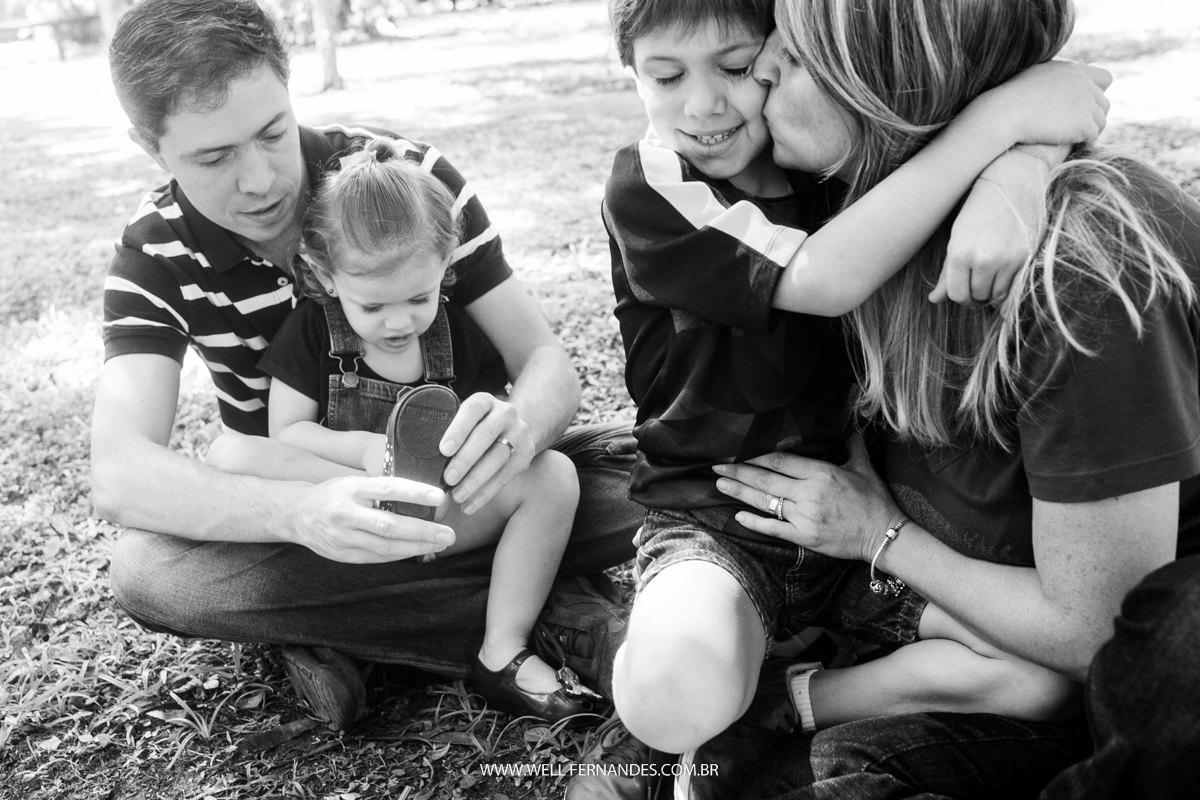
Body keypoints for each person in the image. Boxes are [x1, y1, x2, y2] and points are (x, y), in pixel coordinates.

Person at [94, 0, 638, 731]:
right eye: (215, 157)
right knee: (148, 574)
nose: (260, 181)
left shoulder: (412, 183)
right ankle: (544, 614)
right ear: (146, 144)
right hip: (311, 515)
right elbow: (121, 473)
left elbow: (544, 364)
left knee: (646, 476)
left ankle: (346, 631)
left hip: (466, 491)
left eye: (272, 132)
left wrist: (517, 432)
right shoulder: (153, 253)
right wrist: (302, 516)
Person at [709, 0, 1200, 797]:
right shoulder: (845, 205)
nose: (761, 67)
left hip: (1090, 668)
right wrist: (1021, 144)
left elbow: (1094, 631)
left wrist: (878, 534)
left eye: (795, 59)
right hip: (935, 617)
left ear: (889, 91)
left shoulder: (1083, 275)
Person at [601, 0, 1107, 768]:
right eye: (665, 76)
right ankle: (608, 637)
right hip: (721, 514)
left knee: (1039, 683)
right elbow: (824, 277)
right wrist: (1002, 126)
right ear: (631, 75)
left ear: (776, 51)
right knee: (672, 694)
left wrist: (1024, 162)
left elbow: (1051, 100)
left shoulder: (825, 154)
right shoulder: (656, 181)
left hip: (856, 515)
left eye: (736, 68)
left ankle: (781, 704)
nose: (703, 106)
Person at [214, 136, 596, 721]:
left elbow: (493, 412)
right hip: (339, 520)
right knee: (229, 456)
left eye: (419, 298)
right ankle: (381, 632)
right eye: (372, 307)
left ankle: (501, 649)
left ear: (446, 264)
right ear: (324, 274)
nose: (399, 322)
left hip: (435, 518)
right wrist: (366, 450)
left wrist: (484, 441)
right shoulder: (313, 331)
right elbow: (284, 436)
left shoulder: (455, 331)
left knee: (562, 476)